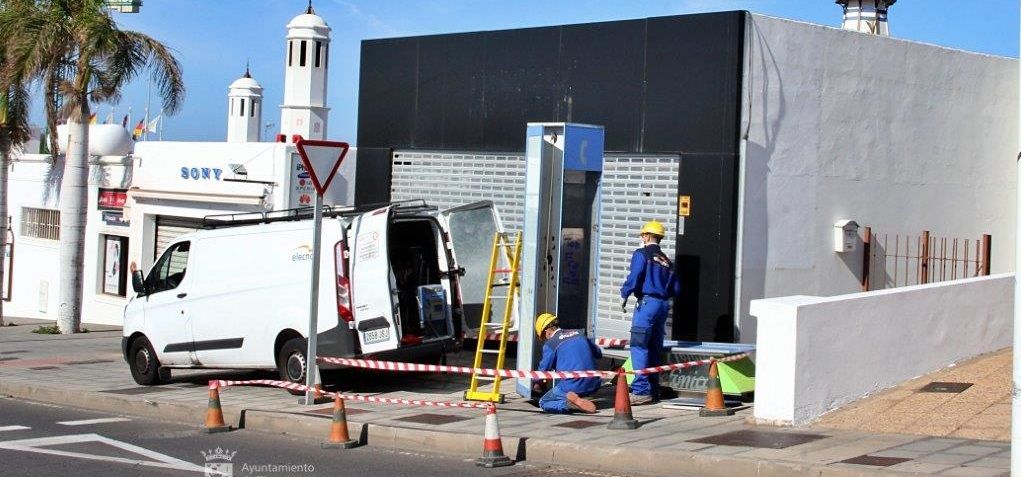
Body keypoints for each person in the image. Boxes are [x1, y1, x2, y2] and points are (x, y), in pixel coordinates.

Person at [619, 220, 681, 405]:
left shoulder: (641, 254)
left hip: (646, 304)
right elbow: (676, 288)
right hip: (663, 305)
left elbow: (635, 276)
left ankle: (640, 390)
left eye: (642, 235)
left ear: (646, 236)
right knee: (654, 347)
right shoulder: (667, 261)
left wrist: (624, 293)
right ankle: (653, 389)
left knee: (639, 345)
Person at [533, 313, 601, 414]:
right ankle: (577, 399)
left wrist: (537, 383)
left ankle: (569, 405)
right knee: (567, 385)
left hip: (573, 385)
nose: (545, 340)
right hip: (594, 383)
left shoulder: (551, 344)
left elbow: (543, 371)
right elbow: (598, 353)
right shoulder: (579, 333)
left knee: (544, 401)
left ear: (546, 331)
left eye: (543, 336)